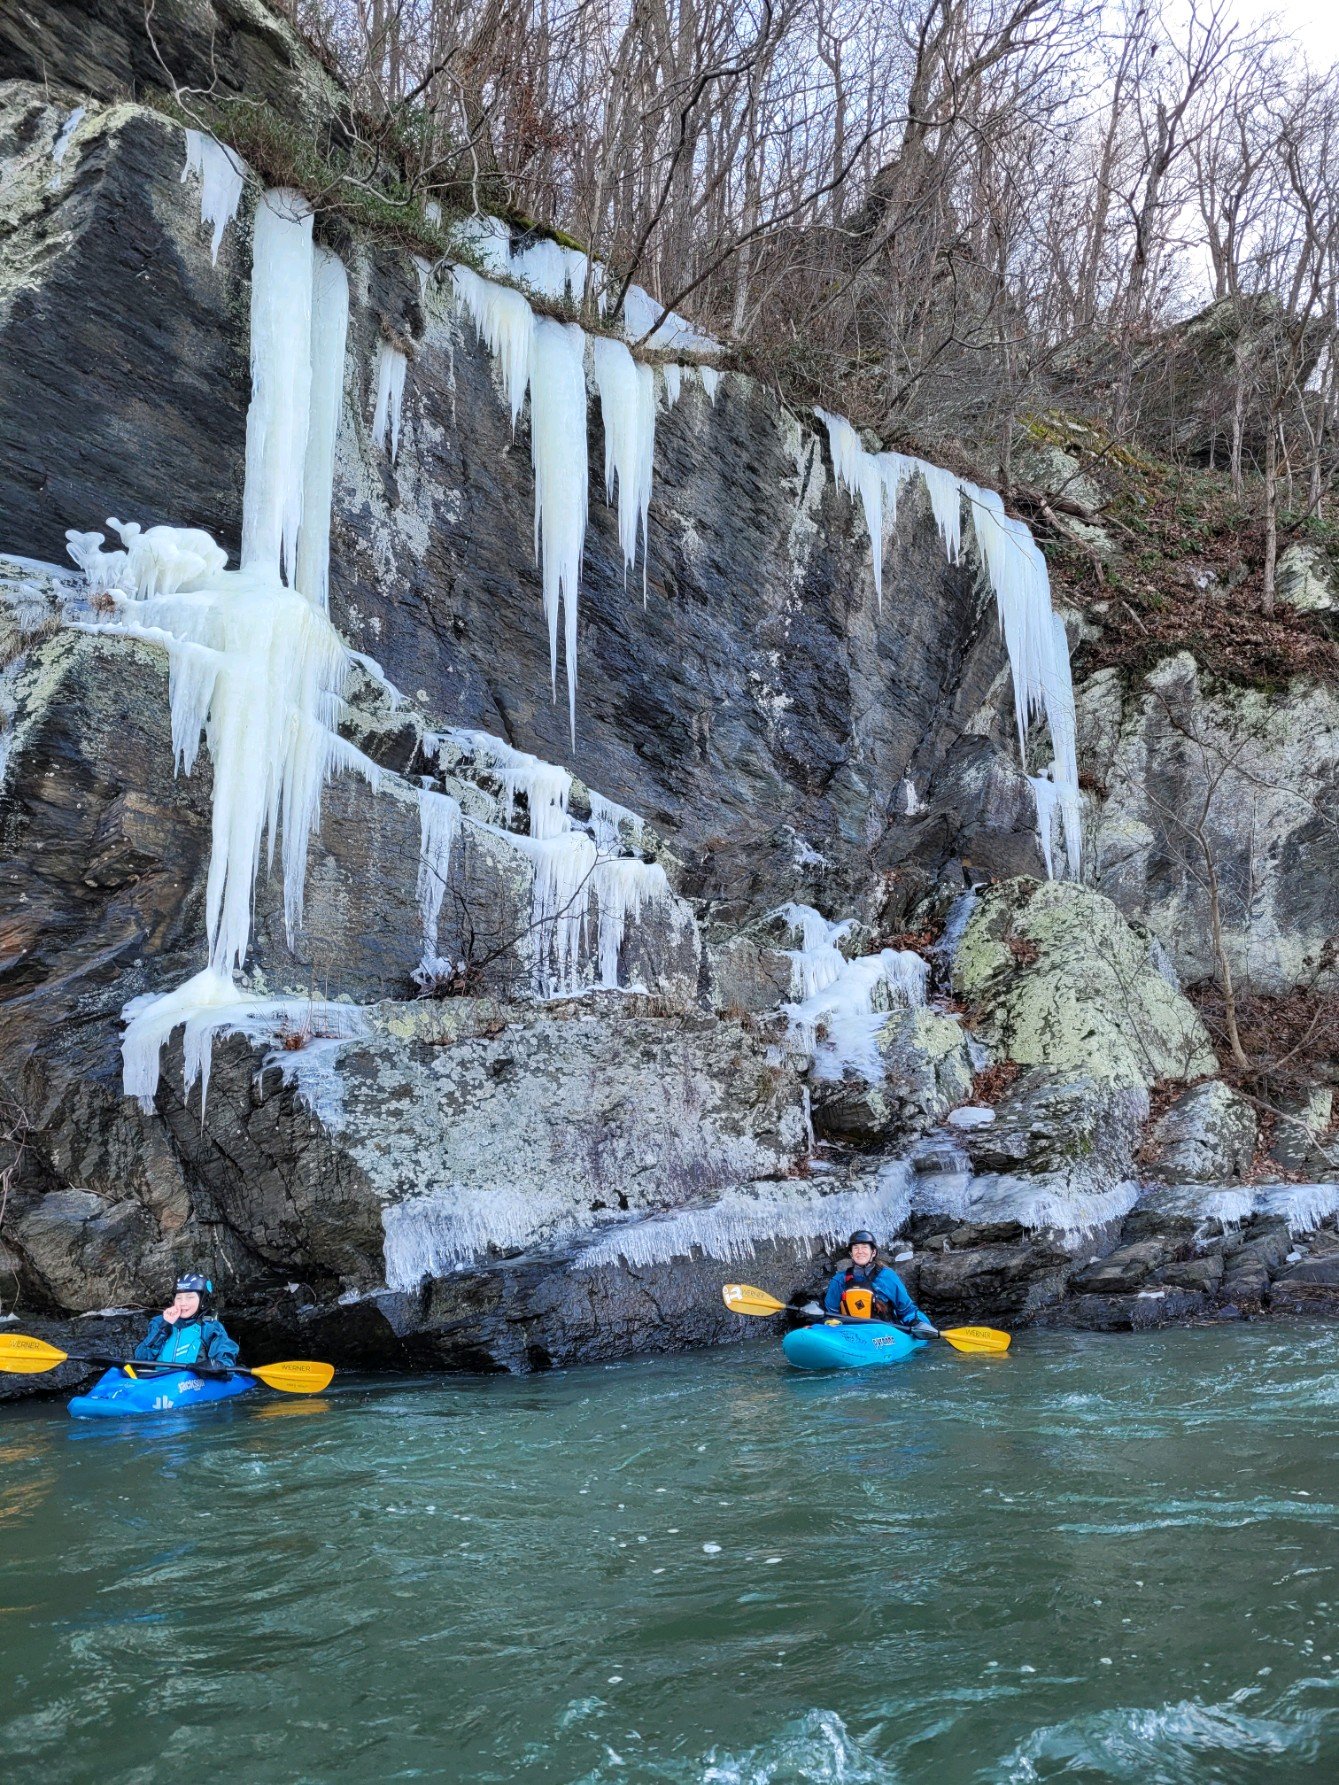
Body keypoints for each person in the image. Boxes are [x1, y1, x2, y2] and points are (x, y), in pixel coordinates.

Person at [823, 1231, 937, 1332]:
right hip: (851, 1333)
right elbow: (829, 1314)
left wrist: (917, 1323)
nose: (860, 1251)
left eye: (864, 1247)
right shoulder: (839, 1280)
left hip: (885, 1333)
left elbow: (908, 1310)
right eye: (856, 1248)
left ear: (873, 1252)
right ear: (851, 1254)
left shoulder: (887, 1276)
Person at [135, 1273, 240, 1368]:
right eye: (179, 1298)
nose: (183, 1303)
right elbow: (140, 1358)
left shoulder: (210, 1328)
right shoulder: (159, 1323)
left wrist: (217, 1366)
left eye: (190, 1297)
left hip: (193, 1383)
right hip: (160, 1382)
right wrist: (164, 1326)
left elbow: (226, 1359)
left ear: (202, 1301)